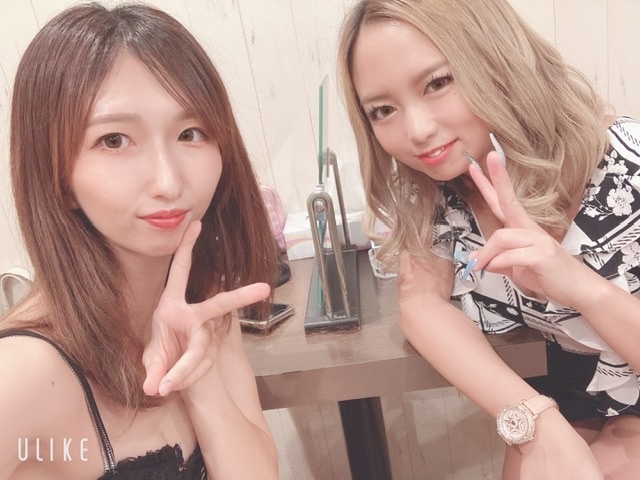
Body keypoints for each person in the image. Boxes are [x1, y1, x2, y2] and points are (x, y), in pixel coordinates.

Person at [338, 0, 640, 478]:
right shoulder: (437, 189)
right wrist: (533, 418)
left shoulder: (626, 167)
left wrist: (582, 287)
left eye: (438, 83)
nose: (417, 130)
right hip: (578, 396)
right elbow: (420, 304)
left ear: (496, 59)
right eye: (383, 110)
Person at [0, 3, 280, 479]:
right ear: (59, 179)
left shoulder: (205, 310)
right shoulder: (22, 375)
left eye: (190, 133)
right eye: (114, 140)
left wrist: (196, 376)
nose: (168, 181)